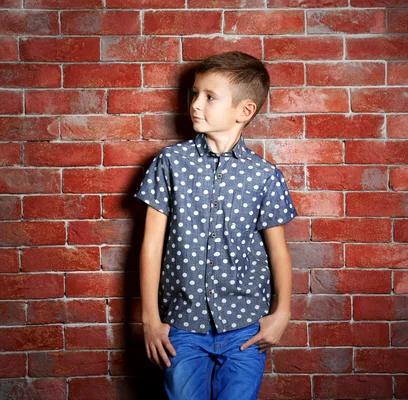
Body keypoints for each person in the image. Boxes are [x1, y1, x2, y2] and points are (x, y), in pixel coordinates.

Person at [133, 51, 297, 400]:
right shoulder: (170, 163)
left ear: (244, 111)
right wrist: (150, 319)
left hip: (245, 327)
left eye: (209, 97)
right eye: (194, 94)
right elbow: (151, 245)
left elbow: (278, 251)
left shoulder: (265, 176)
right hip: (181, 323)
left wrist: (281, 313)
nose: (196, 104)